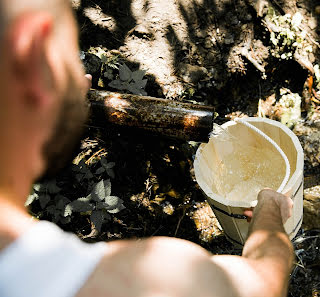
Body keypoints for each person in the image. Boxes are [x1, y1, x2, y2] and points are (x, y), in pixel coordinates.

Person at [0, 0, 295, 296]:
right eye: (72, 55)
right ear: (34, 52)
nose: (86, 80)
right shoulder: (152, 279)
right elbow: (265, 281)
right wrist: (269, 209)